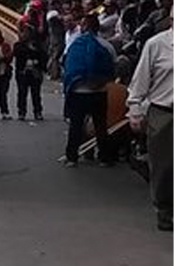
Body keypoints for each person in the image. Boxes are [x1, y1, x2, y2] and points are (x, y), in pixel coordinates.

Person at [126, 26, 172, 231]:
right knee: (164, 166)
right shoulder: (157, 45)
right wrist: (135, 109)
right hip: (164, 113)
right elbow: (140, 81)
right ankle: (164, 209)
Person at [62, 14, 117, 168]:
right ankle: (104, 157)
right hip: (99, 92)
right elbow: (113, 66)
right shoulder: (106, 45)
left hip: (78, 91)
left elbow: (66, 64)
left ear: (85, 26)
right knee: (100, 125)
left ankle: (72, 157)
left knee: (76, 126)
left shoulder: (74, 43)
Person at [13, 24, 47, 121]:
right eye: (23, 32)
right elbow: (18, 54)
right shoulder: (18, 45)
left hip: (35, 72)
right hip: (22, 72)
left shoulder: (38, 45)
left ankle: (38, 111)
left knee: (36, 93)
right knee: (22, 93)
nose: (25, 35)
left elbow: (43, 56)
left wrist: (40, 66)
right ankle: (22, 112)